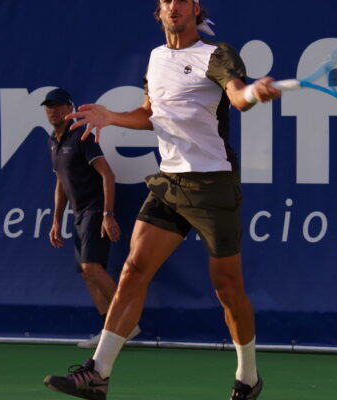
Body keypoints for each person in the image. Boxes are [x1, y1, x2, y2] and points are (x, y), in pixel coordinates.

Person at [43, 1, 280, 399]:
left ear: (196, 9)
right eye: (168, 0)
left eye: (183, 1)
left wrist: (255, 92)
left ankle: (248, 376)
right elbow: (150, 112)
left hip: (212, 186)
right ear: (159, 10)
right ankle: (98, 373)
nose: (175, 7)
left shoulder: (215, 54)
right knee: (134, 269)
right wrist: (112, 116)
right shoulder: (155, 58)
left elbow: (237, 98)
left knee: (227, 288)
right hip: (169, 182)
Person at [42, 88, 141, 349]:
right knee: (88, 275)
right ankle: (109, 331)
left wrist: (108, 214)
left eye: (58, 106)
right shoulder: (53, 141)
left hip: (96, 211)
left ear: (70, 109)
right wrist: (56, 220)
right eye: (49, 106)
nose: (53, 111)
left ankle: (127, 323)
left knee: (91, 268)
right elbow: (60, 184)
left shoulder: (82, 137)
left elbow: (108, 175)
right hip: (79, 214)